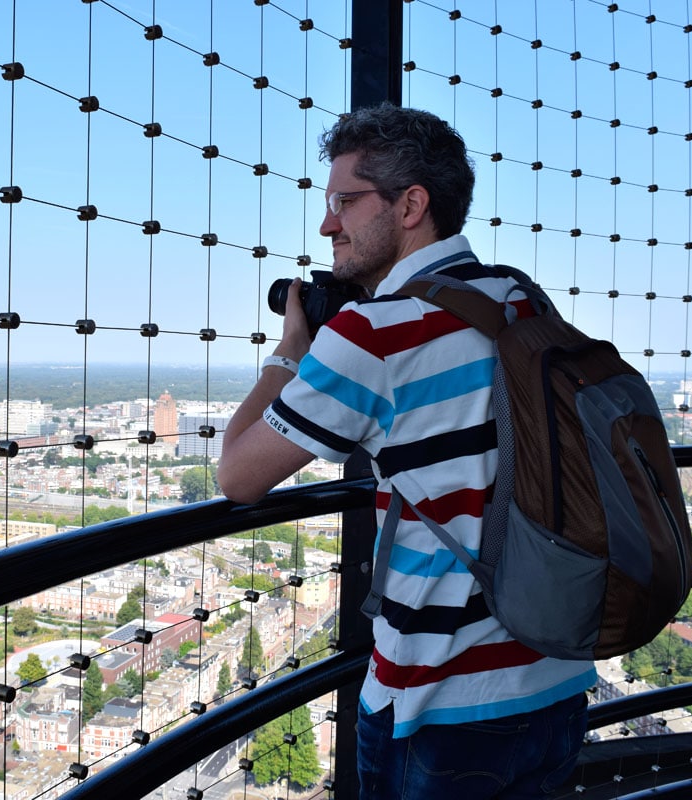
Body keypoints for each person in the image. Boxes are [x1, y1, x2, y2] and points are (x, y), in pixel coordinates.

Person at [216, 103, 597, 799]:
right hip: (557, 675)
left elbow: (238, 475)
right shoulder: (520, 299)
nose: (329, 223)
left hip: (442, 701)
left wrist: (291, 352)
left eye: (344, 201)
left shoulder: (375, 331)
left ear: (411, 204)